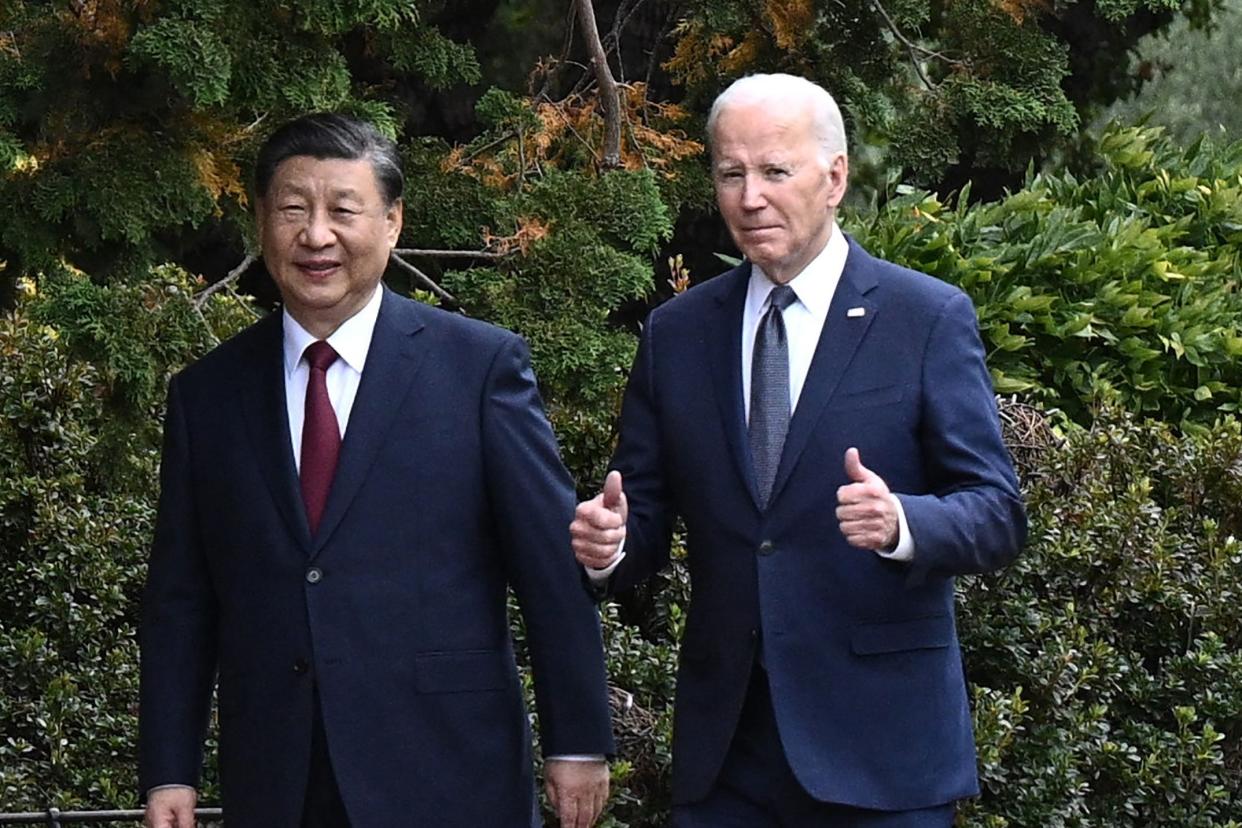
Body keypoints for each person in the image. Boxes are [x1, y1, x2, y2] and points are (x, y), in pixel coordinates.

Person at [570, 74, 1026, 827]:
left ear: (835, 177)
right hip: (728, 758)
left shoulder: (923, 318)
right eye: (731, 173)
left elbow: (997, 514)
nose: (751, 197)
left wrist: (903, 524)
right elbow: (642, 519)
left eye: (775, 171)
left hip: (881, 754)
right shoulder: (678, 335)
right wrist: (609, 548)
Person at [139, 113, 614, 828]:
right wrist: (169, 768)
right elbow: (181, 598)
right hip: (279, 775)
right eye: (293, 210)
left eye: (343, 210)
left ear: (391, 223)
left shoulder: (479, 369)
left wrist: (578, 740)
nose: (317, 235)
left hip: (451, 768)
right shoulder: (208, 394)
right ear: (261, 222)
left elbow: (549, 570)